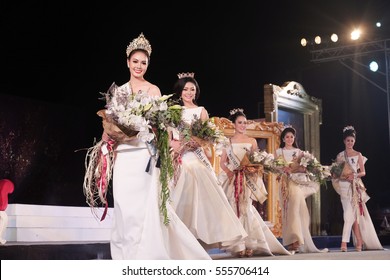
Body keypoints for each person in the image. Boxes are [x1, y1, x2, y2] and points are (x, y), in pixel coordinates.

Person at [92, 34, 211, 260]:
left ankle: (144, 255)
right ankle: (124, 255)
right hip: (123, 155)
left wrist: (170, 147)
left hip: (143, 155)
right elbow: (109, 125)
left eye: (143, 62)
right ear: (127, 62)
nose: (139, 66)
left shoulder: (154, 90)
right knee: (124, 206)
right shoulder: (119, 91)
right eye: (135, 61)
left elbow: (162, 124)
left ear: (148, 65)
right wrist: (103, 149)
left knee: (142, 207)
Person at [170, 72, 248, 256]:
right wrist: (179, 146)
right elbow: (171, 134)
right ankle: (179, 235)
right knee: (185, 175)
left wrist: (197, 142)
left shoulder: (201, 111)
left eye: (192, 89)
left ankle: (198, 235)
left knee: (196, 170)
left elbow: (207, 138)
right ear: (180, 91)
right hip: (180, 153)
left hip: (196, 154)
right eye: (186, 89)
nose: (189, 92)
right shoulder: (174, 110)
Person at [218, 109, 291, 257]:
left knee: (246, 208)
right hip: (233, 179)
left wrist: (252, 170)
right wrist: (230, 172)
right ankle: (239, 245)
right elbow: (222, 163)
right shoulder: (229, 141)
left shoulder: (252, 141)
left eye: (245, 123)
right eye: (240, 122)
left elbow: (256, 161)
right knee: (234, 208)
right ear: (234, 124)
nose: (243, 125)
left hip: (247, 179)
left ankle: (250, 243)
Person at [275, 126, 328, 253]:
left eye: (291, 137)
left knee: (294, 210)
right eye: (287, 137)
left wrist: (298, 168)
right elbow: (275, 167)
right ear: (283, 138)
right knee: (288, 212)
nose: (289, 139)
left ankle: (296, 241)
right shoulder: (278, 152)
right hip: (283, 184)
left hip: (296, 184)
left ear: (294, 138)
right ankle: (291, 241)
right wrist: (283, 169)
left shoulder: (300, 152)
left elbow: (304, 169)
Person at [331, 126, 383, 252]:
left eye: (352, 141)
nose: (350, 143)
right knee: (348, 214)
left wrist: (354, 175)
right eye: (348, 140)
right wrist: (333, 173)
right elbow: (336, 173)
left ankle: (345, 243)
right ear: (344, 141)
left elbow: (363, 172)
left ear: (354, 141)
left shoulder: (358, 154)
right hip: (343, 187)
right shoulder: (340, 155)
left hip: (355, 186)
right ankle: (358, 240)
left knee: (350, 215)